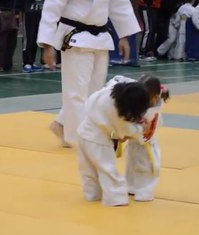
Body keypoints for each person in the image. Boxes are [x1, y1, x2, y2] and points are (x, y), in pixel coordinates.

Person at [38, 0, 141, 147]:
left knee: (95, 93)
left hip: (101, 38)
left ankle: (61, 123)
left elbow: (119, 4)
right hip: (75, 36)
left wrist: (124, 37)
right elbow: (52, 7)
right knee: (76, 93)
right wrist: (47, 44)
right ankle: (76, 139)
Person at [76, 81, 152, 206]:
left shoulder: (109, 91)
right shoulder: (118, 114)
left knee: (88, 170)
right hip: (98, 141)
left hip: (82, 133)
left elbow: (119, 79)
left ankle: (93, 194)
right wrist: (143, 129)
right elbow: (127, 132)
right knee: (107, 169)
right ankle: (116, 198)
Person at [106, 74, 170, 202]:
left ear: (155, 96)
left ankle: (144, 192)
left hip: (146, 140)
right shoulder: (135, 92)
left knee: (146, 164)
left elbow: (147, 132)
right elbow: (116, 80)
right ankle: (131, 187)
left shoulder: (154, 108)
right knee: (132, 162)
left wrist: (126, 134)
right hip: (134, 135)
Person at [22, 0, 44, 73]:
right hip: (29, 13)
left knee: (35, 38)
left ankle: (32, 61)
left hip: (40, 13)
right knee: (28, 38)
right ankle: (27, 63)